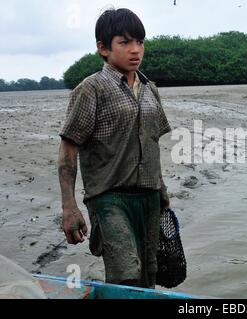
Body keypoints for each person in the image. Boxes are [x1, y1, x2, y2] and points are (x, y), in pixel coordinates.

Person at [57, 8, 172, 288]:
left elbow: (152, 143)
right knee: (126, 272)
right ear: (102, 48)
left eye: (140, 42)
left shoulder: (150, 89)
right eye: (125, 42)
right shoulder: (91, 89)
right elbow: (69, 147)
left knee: (148, 276)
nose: (136, 50)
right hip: (109, 198)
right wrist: (69, 207)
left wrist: (162, 192)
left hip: (149, 197)